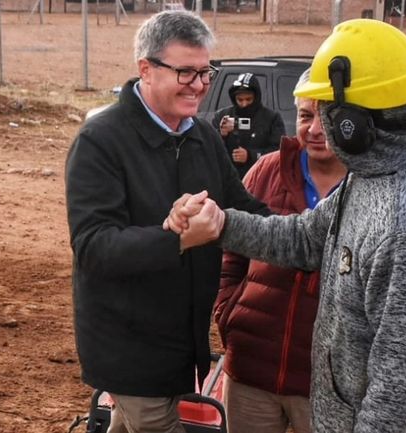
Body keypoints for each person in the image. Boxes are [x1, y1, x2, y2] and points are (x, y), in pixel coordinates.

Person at [167, 19, 406, 433]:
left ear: (351, 122)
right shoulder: (372, 177)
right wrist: (222, 223)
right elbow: (304, 238)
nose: (320, 124)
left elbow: (403, 385)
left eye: (327, 110)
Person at [64, 10, 269, 433]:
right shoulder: (100, 142)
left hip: (181, 336)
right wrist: (174, 237)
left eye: (204, 72)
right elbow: (94, 247)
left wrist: (307, 231)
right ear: (147, 69)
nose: (198, 85)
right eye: (185, 72)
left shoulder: (203, 136)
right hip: (129, 342)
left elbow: (244, 207)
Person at [214, 69, 347, 433]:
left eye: (329, 116)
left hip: (328, 384)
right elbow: (231, 254)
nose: (315, 129)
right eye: (306, 116)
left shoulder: (369, 186)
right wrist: (229, 311)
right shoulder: (266, 170)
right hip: (253, 369)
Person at [212, 73, 285, 178]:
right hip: (229, 179)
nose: (244, 104)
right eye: (240, 100)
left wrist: (250, 155)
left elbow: (279, 152)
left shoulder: (271, 118)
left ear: (256, 97)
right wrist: (222, 134)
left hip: (260, 177)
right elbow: (210, 151)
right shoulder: (223, 116)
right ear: (234, 98)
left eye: (248, 99)